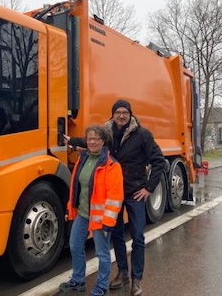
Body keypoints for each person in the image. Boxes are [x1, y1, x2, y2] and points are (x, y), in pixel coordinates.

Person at [66, 99, 165, 296]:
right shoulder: (108, 132)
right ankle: (122, 273)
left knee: (137, 236)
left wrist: (148, 188)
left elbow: (159, 161)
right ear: (113, 114)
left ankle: (137, 279)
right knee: (118, 236)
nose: (121, 115)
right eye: (118, 112)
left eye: (125, 112)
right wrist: (71, 141)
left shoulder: (143, 135)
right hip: (114, 193)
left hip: (134, 192)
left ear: (130, 115)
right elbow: (92, 142)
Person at [59, 125, 123, 296]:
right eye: (89, 139)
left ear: (103, 141)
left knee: (102, 253)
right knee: (74, 245)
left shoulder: (111, 166)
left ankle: (101, 287)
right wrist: (70, 209)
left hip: (100, 219)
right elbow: (76, 188)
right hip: (82, 213)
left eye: (96, 139)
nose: (93, 142)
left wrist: (107, 223)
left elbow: (115, 197)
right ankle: (78, 280)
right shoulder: (83, 159)